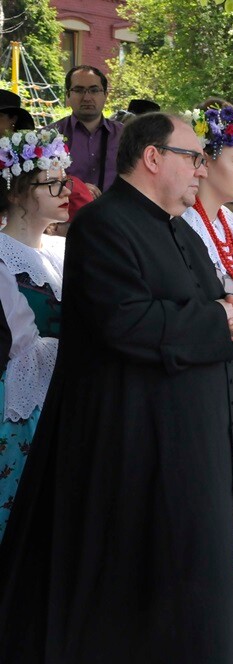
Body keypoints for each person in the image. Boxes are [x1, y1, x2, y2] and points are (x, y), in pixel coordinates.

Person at [0, 112, 233, 662]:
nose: (200, 170)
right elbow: (126, 323)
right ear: (153, 157)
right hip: (134, 439)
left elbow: (214, 300)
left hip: (187, 433)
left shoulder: (179, 226)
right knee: (138, 585)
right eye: (193, 157)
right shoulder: (105, 225)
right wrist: (218, 320)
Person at [181, 102, 233, 657]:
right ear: (205, 162)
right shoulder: (186, 222)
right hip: (205, 374)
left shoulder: (232, 224)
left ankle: (230, 634)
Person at [0, 128, 71, 541]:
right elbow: (21, 343)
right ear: (15, 192)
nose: (65, 190)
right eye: (52, 182)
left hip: (67, 393)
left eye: (66, 180)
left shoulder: (60, 250)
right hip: (26, 402)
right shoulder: (3, 258)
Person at [48, 65, 123, 196]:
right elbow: (38, 183)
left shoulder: (126, 135)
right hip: (66, 214)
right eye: (79, 90)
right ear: (68, 95)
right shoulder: (49, 137)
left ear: (106, 95)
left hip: (115, 213)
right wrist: (73, 186)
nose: (87, 98)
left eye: (94, 90)